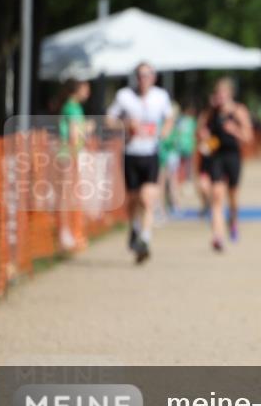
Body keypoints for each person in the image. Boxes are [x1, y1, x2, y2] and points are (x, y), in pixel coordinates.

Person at [106, 62, 174, 263]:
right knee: (134, 199)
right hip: (131, 153)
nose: (143, 79)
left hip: (151, 153)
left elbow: (169, 118)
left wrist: (164, 132)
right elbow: (109, 120)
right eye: (140, 75)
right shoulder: (124, 96)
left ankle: (145, 238)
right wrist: (127, 124)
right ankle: (134, 229)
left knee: (147, 198)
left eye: (147, 75)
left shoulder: (160, 96)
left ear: (153, 77)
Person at [198, 77, 253, 252]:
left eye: (222, 93)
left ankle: (234, 221)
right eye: (217, 93)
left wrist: (234, 130)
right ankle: (218, 236)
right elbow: (199, 130)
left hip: (233, 156)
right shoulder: (211, 111)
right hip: (216, 156)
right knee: (217, 196)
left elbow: (248, 137)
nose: (219, 97)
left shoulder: (238, 111)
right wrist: (203, 135)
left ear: (229, 94)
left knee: (233, 197)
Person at [57, 77, 91, 251]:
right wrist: (86, 131)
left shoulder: (73, 107)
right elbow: (73, 135)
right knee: (65, 195)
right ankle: (64, 234)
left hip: (70, 154)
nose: (88, 91)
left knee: (69, 195)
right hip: (68, 155)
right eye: (85, 87)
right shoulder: (72, 107)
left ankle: (69, 232)